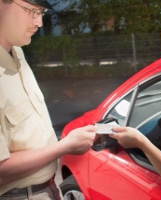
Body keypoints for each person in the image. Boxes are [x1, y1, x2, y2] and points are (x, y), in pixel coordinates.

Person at [0, 0, 97, 199]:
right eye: (31, 11)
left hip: (48, 189)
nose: (39, 22)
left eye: (41, 13)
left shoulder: (17, 52)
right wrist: (66, 145)